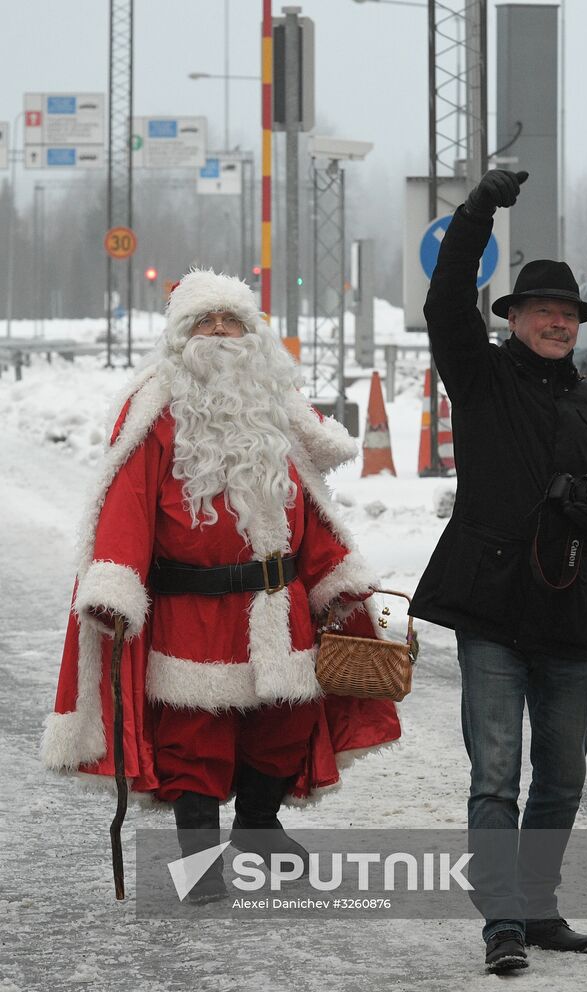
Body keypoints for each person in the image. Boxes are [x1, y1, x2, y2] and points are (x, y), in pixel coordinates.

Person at [42, 268, 400, 903]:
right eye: (202, 322)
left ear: (250, 332)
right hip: (191, 605)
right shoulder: (154, 409)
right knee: (195, 735)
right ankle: (200, 858)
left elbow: (310, 504)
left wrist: (333, 578)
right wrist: (115, 583)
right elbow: (123, 502)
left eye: (228, 321)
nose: (217, 333)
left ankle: (258, 827)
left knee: (286, 722)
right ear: (180, 337)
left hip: (276, 601)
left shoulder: (275, 403)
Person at [409, 170, 587, 972]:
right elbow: (445, 301)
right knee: (496, 775)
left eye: (568, 314)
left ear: (580, 325)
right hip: (492, 614)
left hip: (568, 615)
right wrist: (477, 213)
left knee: (565, 777)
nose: (556, 322)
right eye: (542, 311)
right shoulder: (480, 381)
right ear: (513, 319)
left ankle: (537, 906)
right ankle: (501, 919)